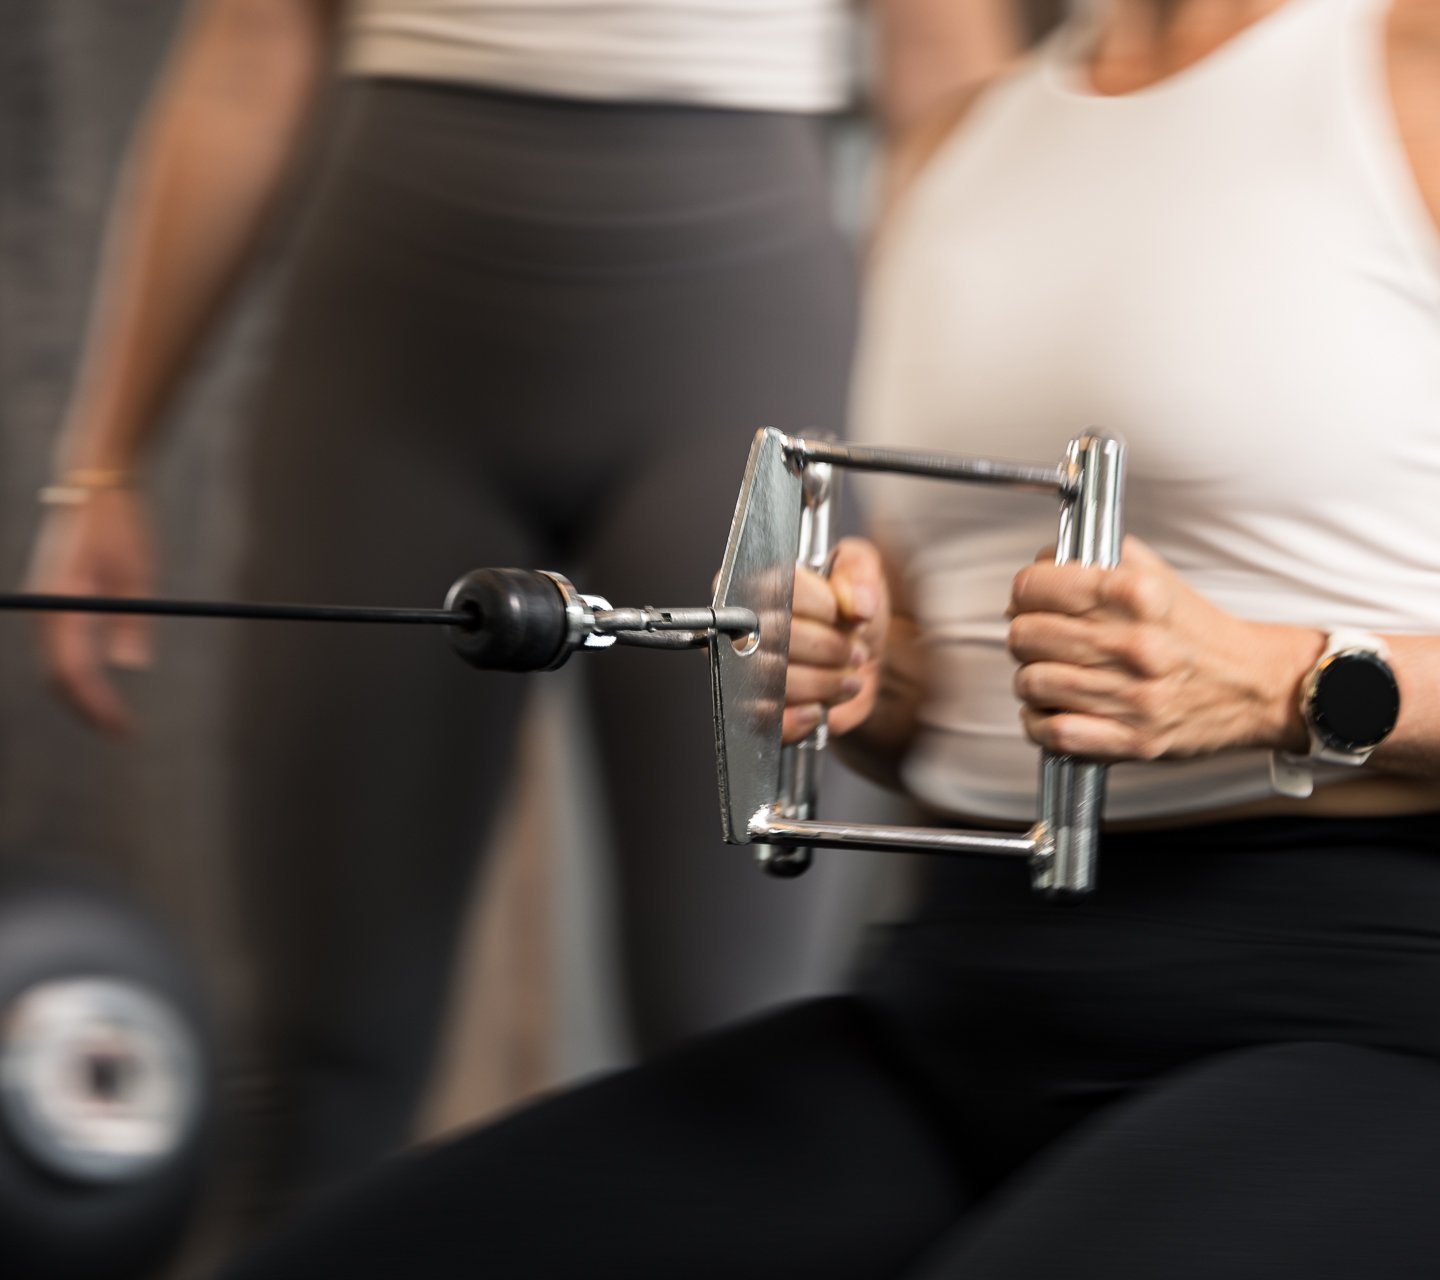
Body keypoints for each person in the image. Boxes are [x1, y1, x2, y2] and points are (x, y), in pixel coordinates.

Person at [218, 0, 1440, 1274]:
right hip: (953, 1019)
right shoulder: (958, 144)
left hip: (1366, 1028)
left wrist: (1277, 679)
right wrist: (877, 688)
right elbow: (950, 709)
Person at [22, 0, 1019, 1237]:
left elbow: (946, 80)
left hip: (742, 346)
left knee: (737, 1042)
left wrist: (964, 520)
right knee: (317, 1061)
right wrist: (103, 460)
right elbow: (249, 47)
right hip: (395, 349)